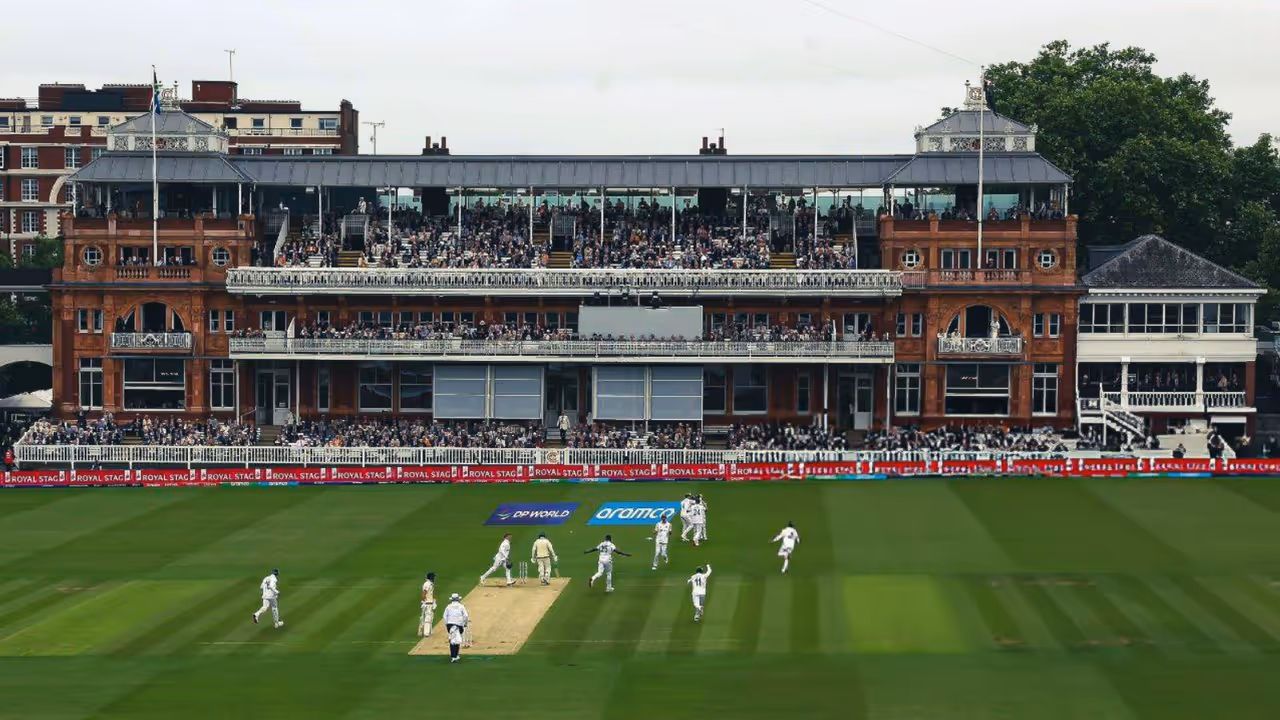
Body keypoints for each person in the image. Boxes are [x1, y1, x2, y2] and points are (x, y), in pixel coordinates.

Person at [442, 593, 469, 663]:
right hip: (459, 625)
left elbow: (444, 616)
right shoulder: (461, 606)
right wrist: (465, 623)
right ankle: (454, 656)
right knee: (456, 639)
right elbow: (466, 616)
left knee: (453, 639)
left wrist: (447, 624)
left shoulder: (448, 606)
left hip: (450, 625)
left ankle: (454, 655)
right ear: (458, 599)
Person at [418, 572, 437, 637]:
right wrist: (424, 602)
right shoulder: (427, 584)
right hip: (427, 603)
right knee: (427, 618)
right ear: (431, 577)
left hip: (430, 603)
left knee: (430, 617)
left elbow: (431, 593)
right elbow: (424, 593)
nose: (434, 578)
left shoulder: (430, 584)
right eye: (433, 577)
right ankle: (426, 633)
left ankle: (428, 631)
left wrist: (434, 601)